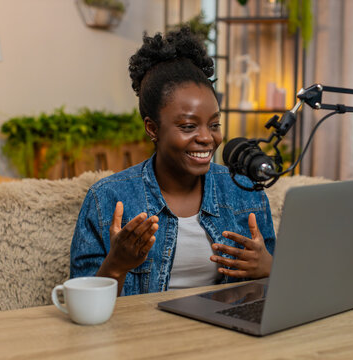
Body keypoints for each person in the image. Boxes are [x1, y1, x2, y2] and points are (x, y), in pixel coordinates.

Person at [70, 27, 275, 296]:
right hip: (143, 336)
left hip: (227, 335)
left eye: (214, 124)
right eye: (189, 126)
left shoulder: (245, 191)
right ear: (152, 128)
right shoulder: (107, 199)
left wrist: (270, 267)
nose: (207, 138)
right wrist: (116, 265)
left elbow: (277, 295)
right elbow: (81, 306)